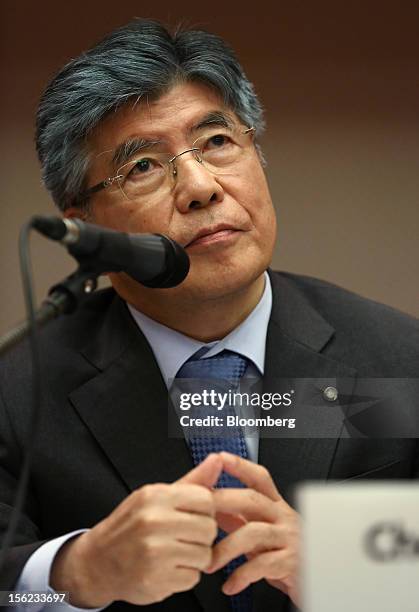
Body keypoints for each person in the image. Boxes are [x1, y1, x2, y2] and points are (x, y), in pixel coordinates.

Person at [0, 18, 418, 612]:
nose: (200, 186)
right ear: (84, 225)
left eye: (218, 141)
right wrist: (77, 572)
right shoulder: (18, 391)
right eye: (142, 165)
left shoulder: (400, 360)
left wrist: (345, 566)